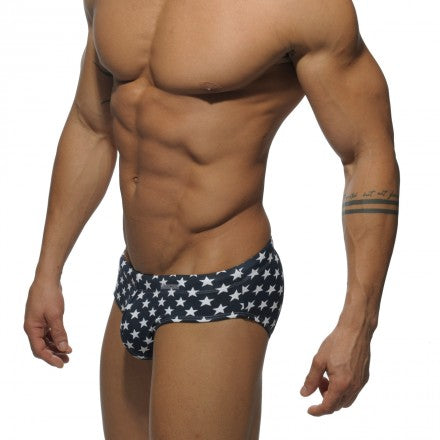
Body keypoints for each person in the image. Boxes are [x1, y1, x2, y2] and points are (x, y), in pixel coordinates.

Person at [23, 0, 399, 437]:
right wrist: (47, 271)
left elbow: (367, 154)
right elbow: (92, 124)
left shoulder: (298, 6)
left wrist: (359, 323)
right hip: (135, 280)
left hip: (221, 281)